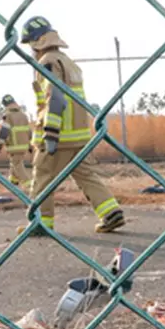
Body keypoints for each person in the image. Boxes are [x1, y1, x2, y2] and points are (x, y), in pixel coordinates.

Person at [19, 16, 125, 234]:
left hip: (59, 137)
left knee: (42, 177)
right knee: (86, 175)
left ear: (37, 41)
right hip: (80, 136)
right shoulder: (68, 62)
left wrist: (50, 134)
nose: (30, 49)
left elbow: (55, 98)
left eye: (30, 43)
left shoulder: (47, 62)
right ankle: (110, 211)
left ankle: (41, 223)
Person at [0, 94, 33, 191]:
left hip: (14, 145)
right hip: (24, 145)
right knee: (14, 163)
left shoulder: (7, 116)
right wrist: (30, 144)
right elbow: (29, 131)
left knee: (17, 165)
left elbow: (4, 131)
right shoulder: (23, 116)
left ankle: (29, 186)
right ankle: (13, 182)